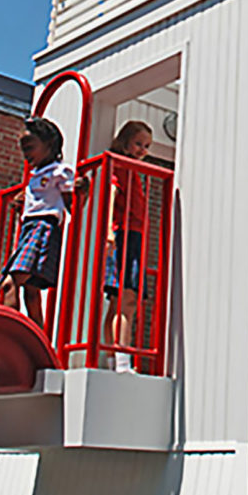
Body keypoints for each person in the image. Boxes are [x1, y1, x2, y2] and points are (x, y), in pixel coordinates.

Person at [0, 117, 75, 326]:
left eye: (30, 148)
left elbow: (72, 204)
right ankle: (39, 338)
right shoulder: (35, 175)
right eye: (23, 150)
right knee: (30, 292)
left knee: (11, 282)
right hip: (29, 227)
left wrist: (80, 191)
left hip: (43, 227)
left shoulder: (59, 172)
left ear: (49, 144)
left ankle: (9, 333)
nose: (26, 155)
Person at [103, 120, 153, 373]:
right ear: (125, 141)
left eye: (146, 146)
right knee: (127, 298)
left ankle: (114, 360)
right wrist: (109, 231)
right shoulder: (121, 166)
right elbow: (112, 191)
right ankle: (122, 359)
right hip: (124, 233)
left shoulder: (134, 169)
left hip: (134, 234)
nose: (142, 150)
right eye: (138, 144)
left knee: (119, 300)